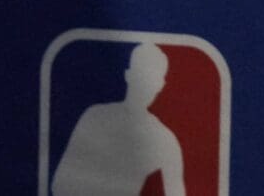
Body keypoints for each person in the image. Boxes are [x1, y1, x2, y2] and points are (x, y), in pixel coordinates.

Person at [50, 43, 186, 196]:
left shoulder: (165, 140)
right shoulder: (95, 117)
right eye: (141, 76)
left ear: (160, 85)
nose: (146, 86)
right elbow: (60, 184)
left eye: (153, 80)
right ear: (129, 75)